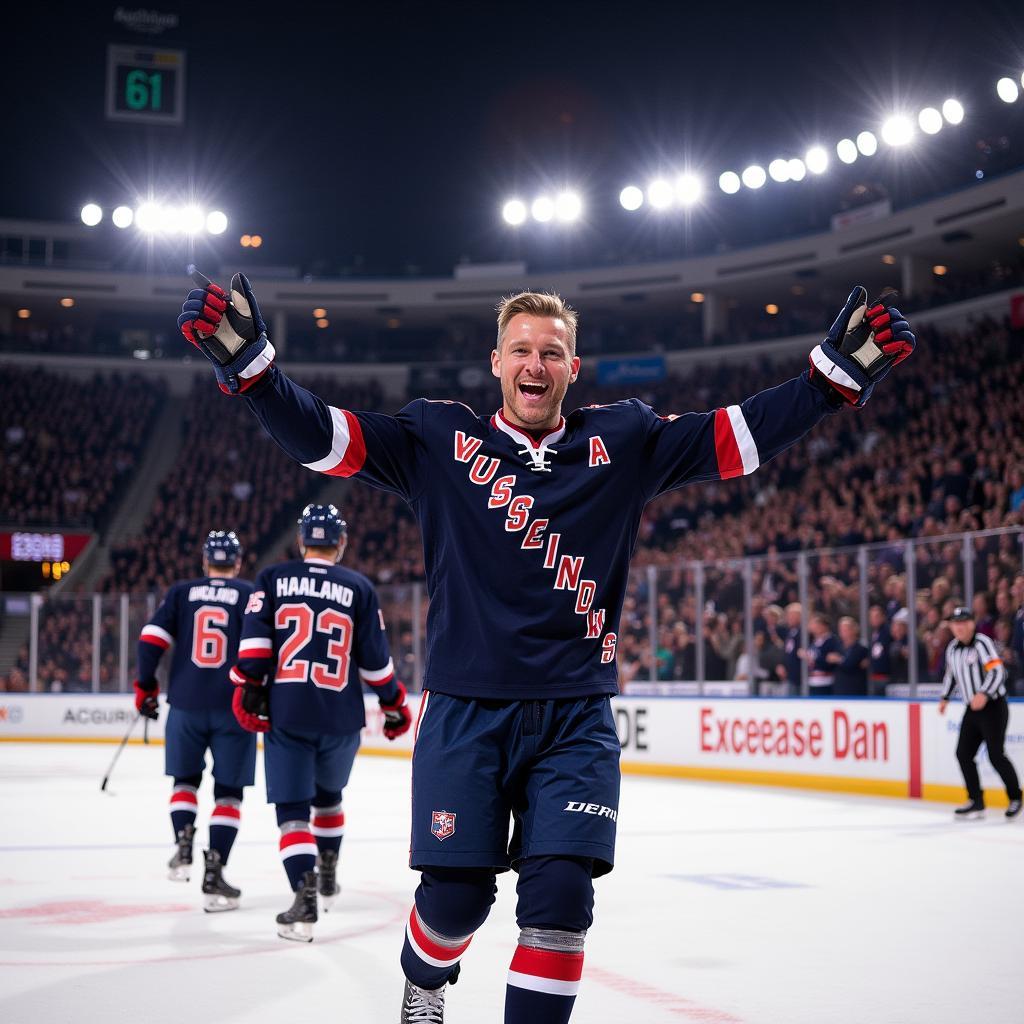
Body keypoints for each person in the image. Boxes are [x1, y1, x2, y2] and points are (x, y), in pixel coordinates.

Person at [178, 270, 914, 1023]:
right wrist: (257, 374)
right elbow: (326, 436)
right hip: (466, 713)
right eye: (521, 350)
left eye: (552, 352)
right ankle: (424, 980)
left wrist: (824, 386)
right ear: (495, 363)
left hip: (577, 717)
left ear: (573, 368)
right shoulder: (439, 438)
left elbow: (735, 437)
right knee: (456, 902)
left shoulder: (624, 440)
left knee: (561, 900)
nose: (536, 364)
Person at [229, 503, 413, 941]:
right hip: (341, 714)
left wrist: (246, 686)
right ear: (341, 543)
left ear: (300, 541)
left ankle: (304, 897)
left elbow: (254, 645)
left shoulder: (272, 579)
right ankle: (327, 874)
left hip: (288, 710)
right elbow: (376, 664)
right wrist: (393, 705)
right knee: (328, 797)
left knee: (293, 810)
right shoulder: (359, 587)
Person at [134, 530, 255, 911]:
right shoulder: (249, 594)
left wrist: (146, 686)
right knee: (228, 793)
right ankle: (214, 874)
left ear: (205, 562)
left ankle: (183, 845)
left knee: (185, 781)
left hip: (185, 704)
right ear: (236, 563)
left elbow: (150, 639)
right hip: (233, 707)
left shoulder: (183, 591)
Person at [939, 606, 1022, 820]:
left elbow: (997, 671)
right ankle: (976, 800)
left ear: (971, 624)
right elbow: (951, 675)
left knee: (996, 754)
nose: (959, 627)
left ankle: (1015, 797)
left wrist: (984, 693)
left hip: (993, 706)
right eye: (955, 623)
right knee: (963, 753)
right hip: (972, 709)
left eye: (963, 622)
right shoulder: (952, 649)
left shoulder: (982, 643)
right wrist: (945, 697)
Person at [804, 613, 842, 696]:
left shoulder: (831, 640)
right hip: (813, 679)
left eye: (815, 624)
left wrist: (812, 658)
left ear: (823, 625)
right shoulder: (813, 641)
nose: (812, 627)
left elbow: (830, 659)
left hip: (826, 680)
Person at [833, 616, 869, 696]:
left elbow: (849, 664)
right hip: (840, 688)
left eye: (846, 630)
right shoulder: (837, 647)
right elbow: (827, 660)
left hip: (855, 689)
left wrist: (838, 659)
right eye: (841, 630)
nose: (843, 633)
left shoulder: (860, 648)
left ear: (854, 630)